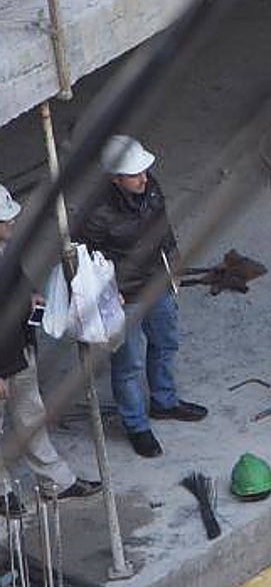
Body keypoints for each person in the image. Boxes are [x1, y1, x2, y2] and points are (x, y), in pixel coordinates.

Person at [83, 136, 207, 459]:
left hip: (158, 282)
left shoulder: (149, 188)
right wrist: (108, 294)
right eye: (135, 174)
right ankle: (136, 424)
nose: (144, 177)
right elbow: (85, 261)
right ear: (115, 179)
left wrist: (174, 260)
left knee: (166, 343)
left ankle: (164, 402)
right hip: (125, 296)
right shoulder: (95, 214)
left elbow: (163, 228)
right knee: (128, 363)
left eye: (144, 171)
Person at [0, 183, 102, 505]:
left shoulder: (6, 252)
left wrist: (30, 296)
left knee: (32, 418)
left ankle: (55, 481)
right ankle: (2, 493)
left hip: (20, 351)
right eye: (6, 219)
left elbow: (18, 280)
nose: (13, 223)